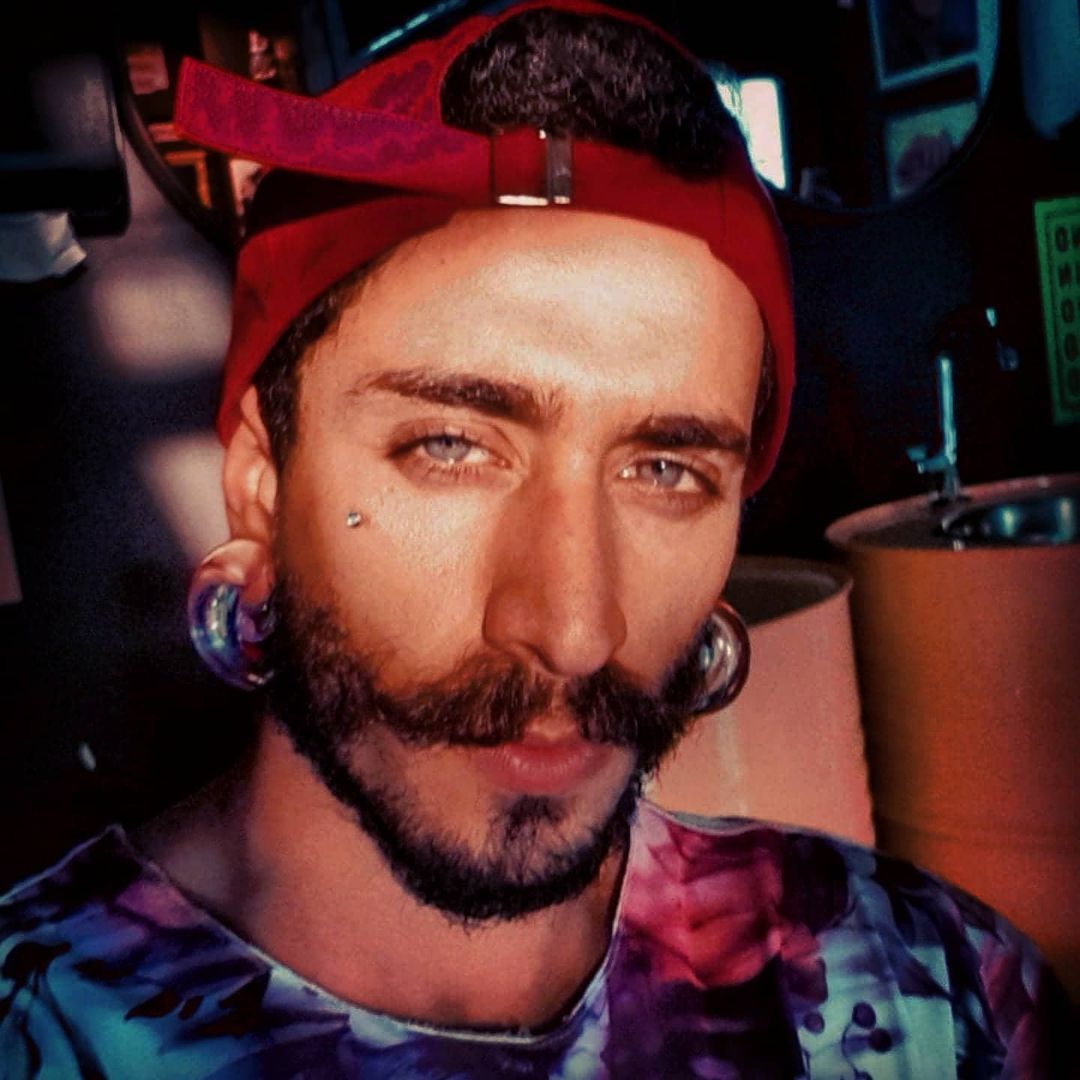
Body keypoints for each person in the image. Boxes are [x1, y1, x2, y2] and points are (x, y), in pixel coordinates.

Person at [0, 2, 1070, 1076]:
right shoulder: (37, 1028)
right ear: (263, 486)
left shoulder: (938, 997)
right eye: (451, 446)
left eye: (666, 470)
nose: (574, 630)